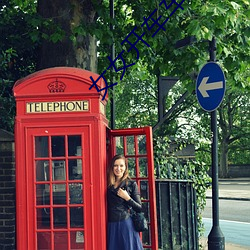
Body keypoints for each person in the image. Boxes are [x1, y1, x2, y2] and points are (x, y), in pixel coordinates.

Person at [107, 154, 144, 250]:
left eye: (121, 166)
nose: (118, 168)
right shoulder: (108, 183)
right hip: (111, 225)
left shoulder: (131, 184)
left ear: (125, 168)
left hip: (125, 224)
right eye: (115, 165)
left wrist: (127, 198)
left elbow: (139, 208)